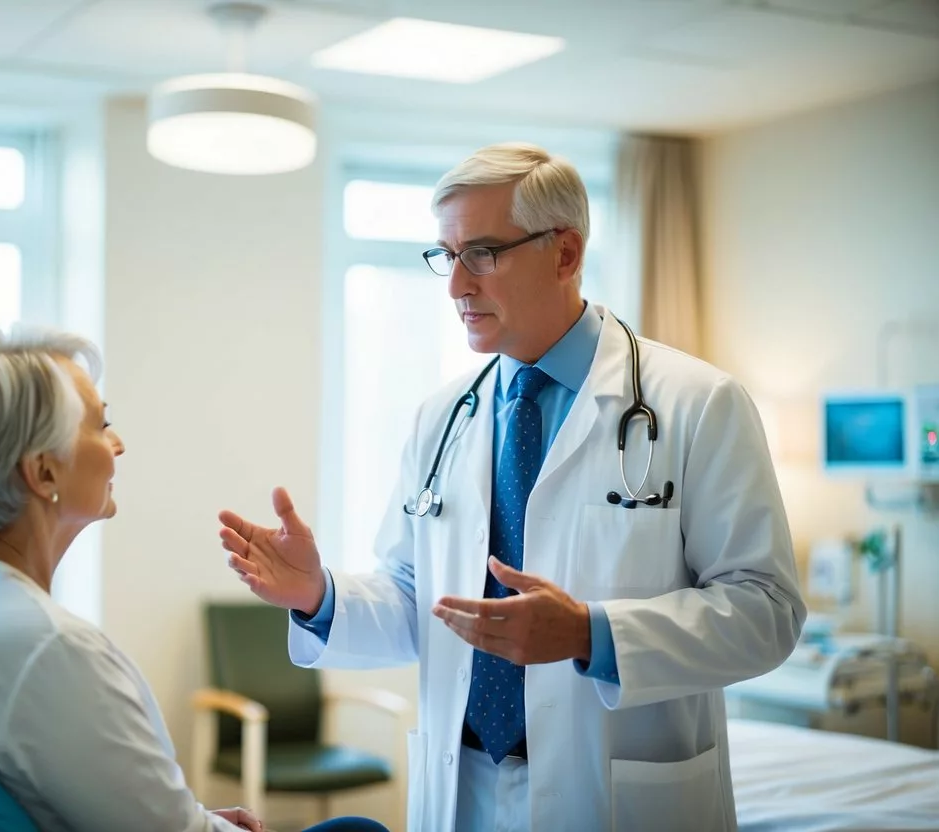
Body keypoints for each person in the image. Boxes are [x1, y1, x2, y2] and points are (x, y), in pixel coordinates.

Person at [218, 143, 806, 832]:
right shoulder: (441, 416)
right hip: (461, 784)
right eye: (446, 255)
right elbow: (417, 601)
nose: (455, 286)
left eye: (482, 253)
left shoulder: (697, 404)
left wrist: (593, 634)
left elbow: (766, 612)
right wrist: (317, 596)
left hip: (619, 794)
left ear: (564, 253)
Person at [0, 326, 389, 832]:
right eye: (102, 426)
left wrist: (200, 818)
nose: (118, 446)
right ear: (44, 474)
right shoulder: (52, 648)